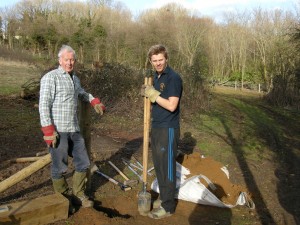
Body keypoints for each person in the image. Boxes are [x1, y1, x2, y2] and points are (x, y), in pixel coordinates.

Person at [39, 45, 105, 212]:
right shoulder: (50, 78)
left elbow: (81, 92)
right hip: (57, 131)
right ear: (59, 60)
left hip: (74, 129)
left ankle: (78, 194)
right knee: (59, 166)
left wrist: (93, 100)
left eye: (72, 60)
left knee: (83, 162)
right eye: (66, 60)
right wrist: (48, 130)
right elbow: (43, 105)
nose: (69, 63)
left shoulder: (74, 78)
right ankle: (64, 197)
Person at [141, 44, 183, 219]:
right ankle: (165, 198)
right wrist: (148, 94)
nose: (158, 63)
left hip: (169, 129)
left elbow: (172, 106)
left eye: (160, 60)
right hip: (157, 126)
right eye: (154, 60)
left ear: (166, 59)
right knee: (159, 166)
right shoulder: (156, 78)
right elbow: (155, 100)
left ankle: (168, 207)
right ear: (151, 61)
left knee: (168, 168)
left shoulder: (173, 78)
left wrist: (154, 95)